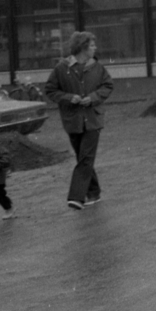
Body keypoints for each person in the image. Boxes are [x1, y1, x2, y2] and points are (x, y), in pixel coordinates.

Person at [44, 31, 114, 210]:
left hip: (92, 120)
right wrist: (68, 97)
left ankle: (76, 197)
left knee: (85, 159)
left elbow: (108, 86)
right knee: (83, 158)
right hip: (72, 121)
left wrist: (93, 97)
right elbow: (50, 90)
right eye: (92, 45)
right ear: (82, 47)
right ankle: (94, 192)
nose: (95, 48)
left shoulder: (97, 67)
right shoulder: (61, 68)